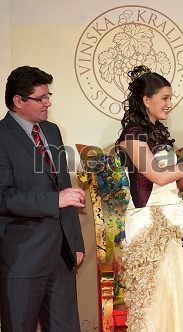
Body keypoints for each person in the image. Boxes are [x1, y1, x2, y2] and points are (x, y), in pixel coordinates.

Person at [116, 65, 183, 331]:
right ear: (146, 100)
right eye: (164, 98)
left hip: (176, 218)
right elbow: (156, 176)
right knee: (159, 295)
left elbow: (166, 176)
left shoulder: (158, 132)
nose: (169, 104)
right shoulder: (132, 134)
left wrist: (182, 180)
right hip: (149, 222)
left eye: (170, 98)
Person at [0, 66, 85, 331]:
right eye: (41, 98)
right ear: (18, 101)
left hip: (61, 256)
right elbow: (4, 196)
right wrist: (53, 201)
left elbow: (64, 188)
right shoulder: (2, 136)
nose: (48, 103)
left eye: (49, 96)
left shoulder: (52, 131)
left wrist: (76, 242)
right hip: (22, 258)